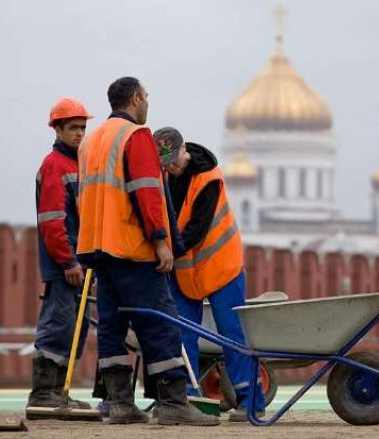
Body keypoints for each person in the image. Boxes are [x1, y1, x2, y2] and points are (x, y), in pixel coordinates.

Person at [76, 76, 218, 426]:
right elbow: (146, 192)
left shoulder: (91, 142)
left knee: (111, 325)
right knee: (159, 322)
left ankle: (121, 404)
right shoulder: (135, 136)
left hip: (98, 248)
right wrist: (161, 241)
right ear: (136, 98)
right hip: (131, 248)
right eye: (147, 97)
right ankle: (173, 403)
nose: (148, 103)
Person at [153, 126, 266, 422]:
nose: (172, 168)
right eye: (165, 164)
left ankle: (250, 401)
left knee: (232, 332)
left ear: (184, 150)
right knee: (181, 332)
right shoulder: (164, 176)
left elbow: (195, 230)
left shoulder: (208, 179)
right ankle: (187, 398)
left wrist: (164, 251)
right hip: (186, 268)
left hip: (221, 265)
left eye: (174, 161)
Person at [28, 97, 93, 411]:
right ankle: (43, 393)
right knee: (59, 323)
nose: (79, 133)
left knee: (75, 327)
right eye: (73, 128)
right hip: (64, 264)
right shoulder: (55, 165)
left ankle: (60, 393)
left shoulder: (77, 164)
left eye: (82, 128)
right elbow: (53, 220)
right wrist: (67, 260)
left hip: (80, 262)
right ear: (57, 129)